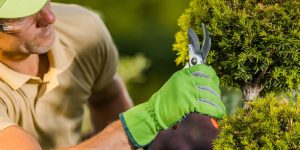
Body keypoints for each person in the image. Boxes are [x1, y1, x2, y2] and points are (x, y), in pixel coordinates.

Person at [0, 0, 226, 149]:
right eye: (23, 16)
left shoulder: (81, 29)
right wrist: (148, 119)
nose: (49, 18)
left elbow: (106, 97)